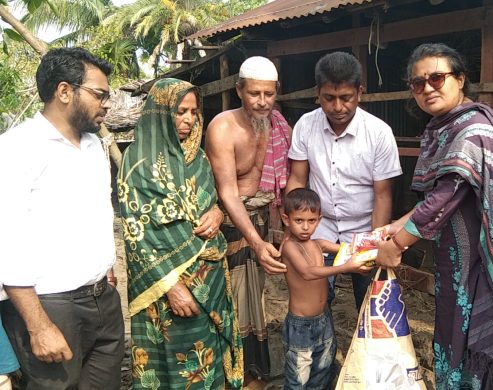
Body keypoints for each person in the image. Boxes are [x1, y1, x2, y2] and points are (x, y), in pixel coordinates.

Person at [373, 43, 493, 389]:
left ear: (460, 79)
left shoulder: (473, 129)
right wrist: (395, 225)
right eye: (418, 83)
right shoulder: (441, 128)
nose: (428, 87)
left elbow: (445, 196)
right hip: (455, 262)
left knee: (481, 340)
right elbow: (439, 194)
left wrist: (396, 244)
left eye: (437, 77)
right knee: (452, 327)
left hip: (484, 261)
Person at [0, 47, 124, 389]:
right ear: (64, 91)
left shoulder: (92, 147)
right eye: (99, 95)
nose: (107, 104)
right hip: (51, 305)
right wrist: (38, 325)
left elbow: (95, 216)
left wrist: (106, 272)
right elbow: (6, 242)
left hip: (103, 300)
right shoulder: (16, 148)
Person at [118, 78, 245, 389]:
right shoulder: (137, 165)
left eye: (193, 112)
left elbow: (211, 200)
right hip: (167, 288)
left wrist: (217, 213)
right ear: (160, 113)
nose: (189, 119)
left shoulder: (197, 157)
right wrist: (172, 287)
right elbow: (137, 234)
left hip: (211, 279)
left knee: (209, 361)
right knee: (177, 365)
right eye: (180, 111)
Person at [286, 51, 402, 310]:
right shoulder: (306, 125)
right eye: (329, 98)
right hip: (318, 230)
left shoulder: (379, 133)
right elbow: (297, 179)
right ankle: (323, 349)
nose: (338, 107)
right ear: (318, 93)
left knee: (369, 305)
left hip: (364, 232)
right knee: (316, 302)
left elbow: (383, 194)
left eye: (346, 98)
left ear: (360, 92)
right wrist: (293, 229)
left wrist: (376, 245)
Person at [205, 56, 292, 380]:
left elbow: (291, 179)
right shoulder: (223, 127)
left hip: (260, 222)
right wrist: (256, 243)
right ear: (239, 89)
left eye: (269, 94)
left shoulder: (279, 126)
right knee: (231, 302)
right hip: (228, 226)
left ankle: (254, 371)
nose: (262, 101)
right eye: (255, 93)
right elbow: (227, 193)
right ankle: (230, 375)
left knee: (256, 301)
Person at [279, 188, 372, 389]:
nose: (305, 227)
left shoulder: (318, 243)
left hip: (323, 319)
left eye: (311, 221)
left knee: (322, 369)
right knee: (298, 376)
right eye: (299, 221)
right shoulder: (289, 247)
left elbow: (349, 249)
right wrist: (347, 267)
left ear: (319, 220)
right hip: (300, 325)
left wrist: (374, 251)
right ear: (287, 219)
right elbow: (307, 272)